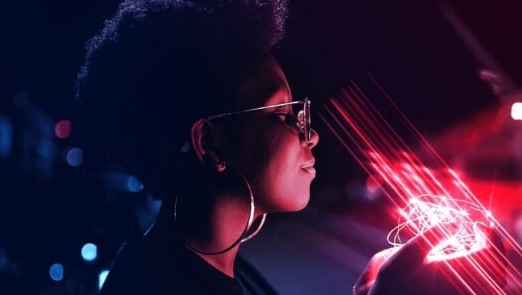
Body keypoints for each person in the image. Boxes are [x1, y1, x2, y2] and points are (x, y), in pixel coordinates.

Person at [74, 0, 506, 294]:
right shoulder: (166, 285)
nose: (310, 135)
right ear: (209, 143)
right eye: (283, 115)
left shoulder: (210, 265)